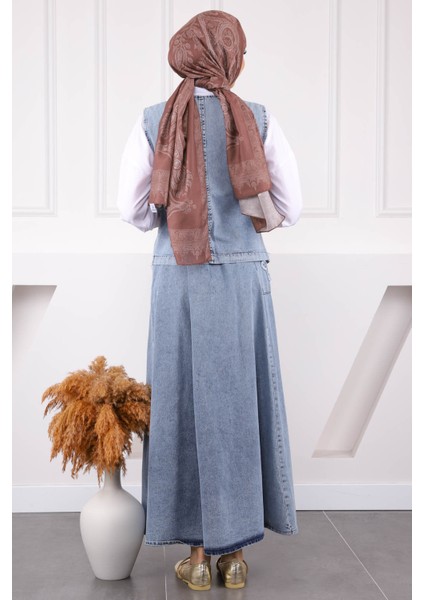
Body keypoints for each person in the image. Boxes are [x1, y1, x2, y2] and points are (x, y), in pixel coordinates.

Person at [117, 10, 302, 591]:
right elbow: (290, 207)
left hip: (178, 275)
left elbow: (133, 210)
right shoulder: (259, 118)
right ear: (227, 57)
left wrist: (177, 217)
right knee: (239, 405)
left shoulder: (152, 119)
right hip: (242, 278)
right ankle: (235, 557)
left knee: (183, 404)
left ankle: (196, 556)